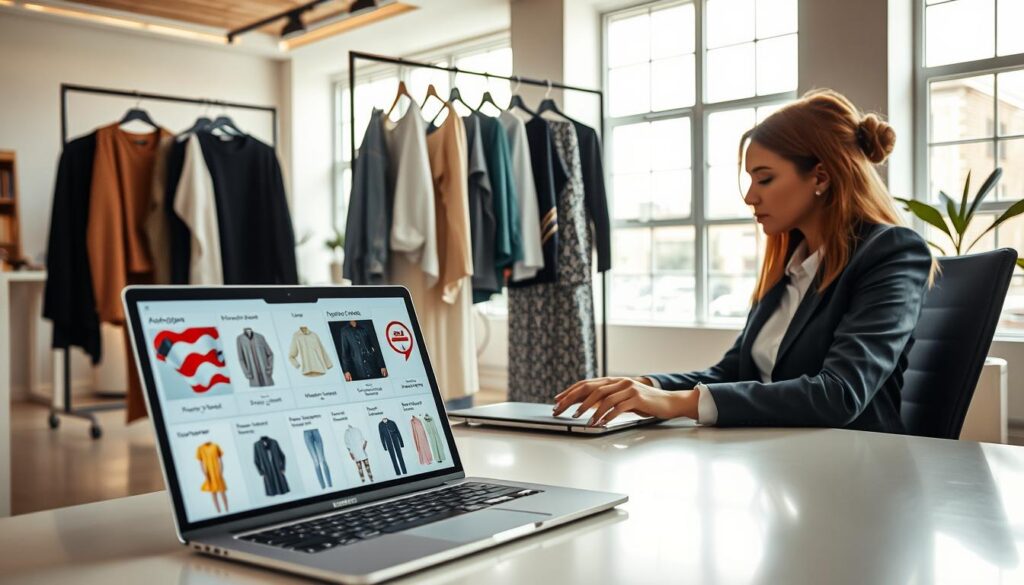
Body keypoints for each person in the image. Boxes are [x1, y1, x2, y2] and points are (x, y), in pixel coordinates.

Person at [553, 89, 939, 434]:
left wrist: (676, 403)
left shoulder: (892, 252)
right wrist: (643, 388)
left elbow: (839, 394)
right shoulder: (792, 264)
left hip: (855, 468)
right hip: (777, 456)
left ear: (820, 176)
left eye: (765, 179)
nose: (750, 197)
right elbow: (731, 373)